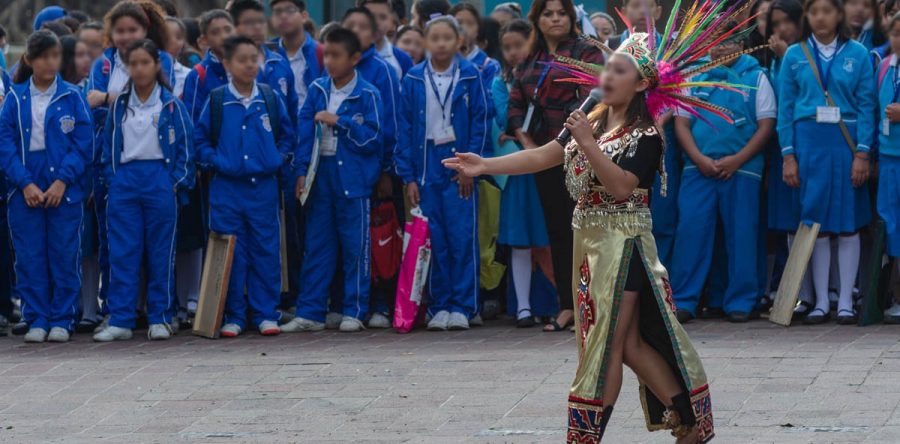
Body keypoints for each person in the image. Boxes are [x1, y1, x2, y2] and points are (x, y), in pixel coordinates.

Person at [443, 14, 745, 438]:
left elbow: (622, 187)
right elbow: (546, 155)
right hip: (590, 246)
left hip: (624, 251)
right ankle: (690, 422)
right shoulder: (597, 121)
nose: (608, 74)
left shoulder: (646, 135)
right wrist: (485, 164)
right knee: (628, 346)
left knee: (604, 349)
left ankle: (585, 436)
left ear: (641, 84)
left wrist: (586, 142)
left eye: (619, 69)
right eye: (608, 66)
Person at [506, 0, 604, 333]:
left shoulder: (586, 51)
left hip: (582, 153)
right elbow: (515, 107)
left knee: (586, 229)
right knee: (559, 231)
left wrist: (569, 143)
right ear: (537, 19)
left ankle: (593, 305)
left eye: (561, 12)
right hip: (544, 156)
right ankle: (567, 305)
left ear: (571, 17)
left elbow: (593, 100)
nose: (555, 18)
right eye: (548, 13)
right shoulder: (528, 59)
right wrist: (531, 147)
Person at [777, 0, 876, 324]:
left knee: (847, 223)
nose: (821, 17)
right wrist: (788, 156)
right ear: (807, 16)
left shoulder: (858, 54)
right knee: (814, 221)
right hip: (809, 142)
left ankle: (845, 300)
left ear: (839, 14)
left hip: (845, 141)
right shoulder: (795, 54)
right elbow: (786, 110)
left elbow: (866, 105)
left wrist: (862, 153)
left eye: (828, 10)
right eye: (814, 11)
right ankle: (820, 300)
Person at [283, 28, 383, 333]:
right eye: (326, 54)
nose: (329, 61)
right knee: (317, 244)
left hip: (353, 179)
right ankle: (311, 311)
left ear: (355, 58)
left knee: (356, 247)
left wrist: (341, 122)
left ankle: (354, 310)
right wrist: (300, 171)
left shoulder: (368, 93)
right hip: (319, 174)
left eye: (336, 55)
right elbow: (302, 132)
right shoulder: (316, 89)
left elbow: (374, 138)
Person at [194, 35, 295, 338]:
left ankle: (266, 312)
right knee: (232, 254)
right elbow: (200, 141)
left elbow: (287, 137)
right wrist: (217, 160)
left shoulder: (270, 98)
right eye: (242, 60)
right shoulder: (217, 100)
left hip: (263, 188)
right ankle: (234, 314)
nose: (250, 65)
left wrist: (276, 159)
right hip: (227, 189)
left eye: (254, 59)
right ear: (226, 64)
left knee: (266, 250)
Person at [93, 39, 194, 342]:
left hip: (159, 180)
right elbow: (107, 146)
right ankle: (121, 319)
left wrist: (175, 183)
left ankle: (160, 316)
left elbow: (187, 149)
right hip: (125, 181)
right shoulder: (120, 105)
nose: (139, 69)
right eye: (132, 64)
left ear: (156, 65)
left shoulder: (171, 104)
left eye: (144, 63)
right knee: (123, 252)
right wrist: (112, 180)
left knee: (160, 252)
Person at [670, 37, 777, 323]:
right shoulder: (693, 76)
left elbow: (766, 125)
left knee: (742, 234)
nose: (721, 49)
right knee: (691, 232)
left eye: (729, 44)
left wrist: (738, 159)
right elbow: (681, 124)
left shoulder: (756, 76)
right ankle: (683, 300)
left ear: (742, 44)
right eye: (716, 44)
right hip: (698, 167)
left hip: (742, 168)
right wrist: (699, 159)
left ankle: (742, 301)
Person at [395, 15, 488, 331]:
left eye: (447, 37)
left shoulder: (470, 76)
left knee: (461, 235)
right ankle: (439, 305)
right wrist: (408, 176)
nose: (441, 43)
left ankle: (463, 305)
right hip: (426, 164)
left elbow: (480, 122)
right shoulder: (413, 78)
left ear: (459, 41)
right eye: (434, 38)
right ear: (424, 41)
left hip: (459, 159)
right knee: (433, 238)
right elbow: (404, 128)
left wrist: (471, 167)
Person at [0, 30, 93, 343]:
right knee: (29, 256)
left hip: (63, 188)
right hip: (24, 186)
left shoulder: (72, 96)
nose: (49, 62)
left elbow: (83, 144)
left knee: (64, 253)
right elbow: (5, 144)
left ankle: (62, 317)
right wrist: (24, 183)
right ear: (29, 59)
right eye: (42, 56)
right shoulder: (14, 98)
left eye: (54, 55)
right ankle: (36, 316)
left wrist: (62, 181)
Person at [494, 19, 550, 327]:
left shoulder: (547, 73)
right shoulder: (499, 81)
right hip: (517, 169)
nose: (514, 52)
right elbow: (506, 118)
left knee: (549, 234)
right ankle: (524, 306)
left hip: (547, 159)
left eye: (520, 45)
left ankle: (551, 302)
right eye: (508, 47)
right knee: (519, 236)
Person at [228, 0, 299, 118]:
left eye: (261, 22)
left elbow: (292, 111)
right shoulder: (228, 65)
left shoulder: (279, 62)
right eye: (249, 23)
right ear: (234, 27)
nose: (257, 27)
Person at [878, 12, 900, 320]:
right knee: (892, 227)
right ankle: (896, 294)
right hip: (887, 157)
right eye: (896, 34)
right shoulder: (884, 66)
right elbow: (872, 110)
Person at [270, 0, 323, 111]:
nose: (283, 16)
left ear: (304, 16)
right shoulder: (268, 56)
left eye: (290, 10)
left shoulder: (321, 53)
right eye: (278, 12)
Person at [450, 3, 502, 97]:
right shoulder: (439, 62)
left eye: (470, 23)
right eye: (458, 23)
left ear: (478, 29)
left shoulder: (490, 66)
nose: (464, 28)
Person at [359, 0, 414, 78]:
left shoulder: (402, 59)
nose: (377, 22)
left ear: (390, 20)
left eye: (383, 17)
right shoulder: (345, 56)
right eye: (370, 16)